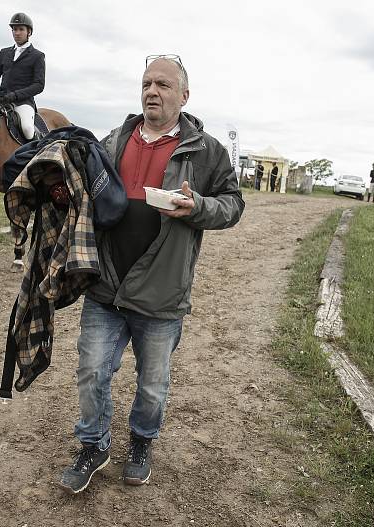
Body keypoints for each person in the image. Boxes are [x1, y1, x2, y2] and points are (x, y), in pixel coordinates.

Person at [58, 55, 245, 494]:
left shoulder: (207, 151)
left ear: (184, 95)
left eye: (162, 84)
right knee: (91, 371)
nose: (151, 91)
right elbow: (86, 190)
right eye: (146, 83)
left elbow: (233, 204)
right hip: (106, 285)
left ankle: (141, 443)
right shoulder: (114, 140)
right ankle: (94, 445)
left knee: (153, 385)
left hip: (161, 295)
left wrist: (197, 206)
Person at [0, 12, 45, 141]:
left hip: (23, 102)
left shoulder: (37, 56)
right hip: (1, 99)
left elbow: (39, 85)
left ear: (29, 32)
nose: (17, 33)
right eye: (14, 29)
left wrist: (15, 95)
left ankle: (36, 153)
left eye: (21, 29)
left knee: (27, 129)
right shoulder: (4, 53)